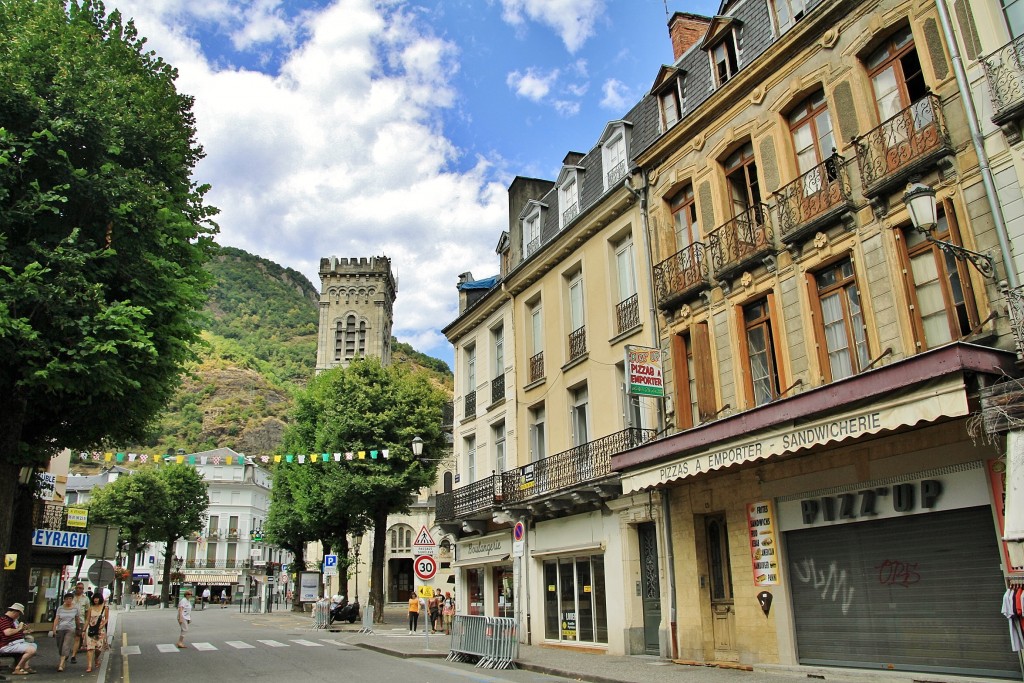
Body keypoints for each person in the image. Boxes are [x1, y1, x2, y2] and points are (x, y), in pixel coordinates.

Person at [0, 603, 37, 675]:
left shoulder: (11, 621)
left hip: (15, 643)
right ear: (15, 612)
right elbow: (7, 632)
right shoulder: (4, 620)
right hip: (7, 645)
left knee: (33, 645)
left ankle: (23, 666)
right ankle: (18, 668)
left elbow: (14, 632)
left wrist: (23, 631)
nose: (18, 616)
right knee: (31, 650)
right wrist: (19, 628)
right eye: (19, 614)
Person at [51, 592, 82, 672]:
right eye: (67, 599)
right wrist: (54, 629)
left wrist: (78, 627)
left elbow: (77, 619)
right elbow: (56, 619)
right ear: (64, 600)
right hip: (61, 628)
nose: (68, 600)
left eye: (70, 599)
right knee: (60, 645)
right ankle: (65, 656)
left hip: (70, 628)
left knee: (66, 645)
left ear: (72, 600)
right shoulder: (60, 608)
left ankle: (61, 664)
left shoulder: (75, 608)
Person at [83, 593, 108, 673]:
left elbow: (107, 618)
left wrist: (102, 625)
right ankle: (89, 666)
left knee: (98, 648)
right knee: (90, 648)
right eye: (94, 598)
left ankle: (96, 658)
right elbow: (87, 619)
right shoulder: (91, 608)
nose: (96, 600)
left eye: (97, 598)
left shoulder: (105, 608)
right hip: (91, 629)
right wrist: (84, 630)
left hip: (100, 630)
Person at [69, 581, 90, 664]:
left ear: (83, 589)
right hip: (70, 620)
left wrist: (86, 623)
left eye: (80, 588)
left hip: (80, 621)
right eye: (77, 588)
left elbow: (87, 611)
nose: (78, 589)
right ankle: (66, 653)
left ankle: (73, 655)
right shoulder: (71, 597)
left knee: (77, 638)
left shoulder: (85, 599)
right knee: (69, 637)